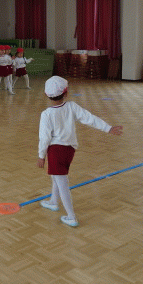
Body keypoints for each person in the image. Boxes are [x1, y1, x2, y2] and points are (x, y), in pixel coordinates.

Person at [37, 76, 123, 227]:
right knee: (56, 176)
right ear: (66, 93)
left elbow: (44, 138)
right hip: (69, 150)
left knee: (62, 182)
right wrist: (108, 128)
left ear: (46, 94)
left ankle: (71, 217)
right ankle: (53, 201)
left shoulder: (46, 114)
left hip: (56, 151)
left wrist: (41, 155)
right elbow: (90, 118)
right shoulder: (72, 106)